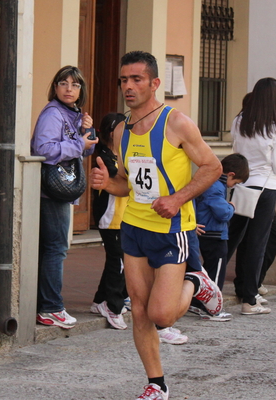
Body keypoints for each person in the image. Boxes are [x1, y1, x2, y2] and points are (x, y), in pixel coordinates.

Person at [90, 51, 223, 400]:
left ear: (154, 83)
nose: (128, 86)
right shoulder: (121, 130)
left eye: (136, 79)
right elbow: (126, 183)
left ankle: (198, 283)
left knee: (161, 314)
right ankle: (156, 383)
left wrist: (177, 199)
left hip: (172, 229)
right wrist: (108, 184)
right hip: (133, 226)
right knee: (139, 310)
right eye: (123, 80)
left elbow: (212, 167)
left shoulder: (177, 123)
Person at [31, 66, 97, 328]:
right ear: (55, 87)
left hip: (61, 188)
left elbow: (80, 153)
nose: (69, 89)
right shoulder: (53, 114)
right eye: (64, 83)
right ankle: (50, 307)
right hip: (51, 192)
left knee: (54, 248)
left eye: (75, 85)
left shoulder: (73, 114)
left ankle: (48, 305)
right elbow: (43, 149)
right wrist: (80, 143)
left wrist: (86, 134)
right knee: (55, 249)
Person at [227, 78, 276, 315]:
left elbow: (236, 151)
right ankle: (249, 299)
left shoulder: (239, 121)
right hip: (265, 188)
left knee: (239, 238)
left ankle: (239, 288)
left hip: (242, 186)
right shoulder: (274, 128)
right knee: (258, 241)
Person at [188, 153, 249, 323]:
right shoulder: (216, 186)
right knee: (216, 272)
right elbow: (222, 213)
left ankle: (197, 303)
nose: (232, 186)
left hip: (206, 230)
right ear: (231, 175)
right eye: (235, 183)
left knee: (205, 270)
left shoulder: (209, 181)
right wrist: (231, 207)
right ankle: (211, 308)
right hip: (214, 233)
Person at [90, 112, 129, 330]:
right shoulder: (104, 156)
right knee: (119, 262)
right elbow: (120, 178)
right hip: (110, 217)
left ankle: (99, 301)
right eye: (122, 129)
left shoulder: (123, 154)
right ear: (111, 132)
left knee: (117, 260)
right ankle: (113, 306)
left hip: (124, 217)